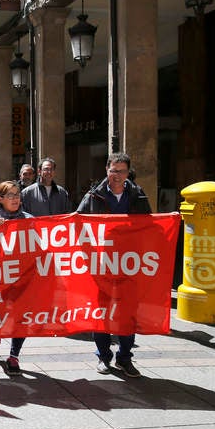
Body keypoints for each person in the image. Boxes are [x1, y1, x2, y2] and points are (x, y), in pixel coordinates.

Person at [76, 152, 152, 378]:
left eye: (121, 171)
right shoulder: (94, 196)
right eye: (113, 170)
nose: (116, 175)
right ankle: (103, 356)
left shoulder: (138, 195)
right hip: (103, 263)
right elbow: (79, 222)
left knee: (128, 312)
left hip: (130, 264)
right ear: (106, 170)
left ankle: (125, 358)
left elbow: (149, 225)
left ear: (128, 173)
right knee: (102, 311)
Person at [0, 181, 33, 376]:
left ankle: (14, 356)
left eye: (17, 194)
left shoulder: (29, 220)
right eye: (10, 195)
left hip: (22, 279)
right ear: (0, 199)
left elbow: (40, 246)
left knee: (20, 317)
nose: (15, 198)